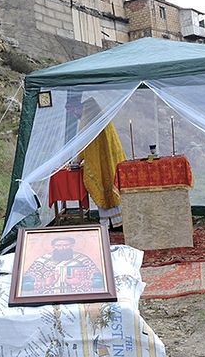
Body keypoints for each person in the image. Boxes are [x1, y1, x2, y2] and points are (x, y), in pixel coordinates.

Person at [76, 98, 127, 229]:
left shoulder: (87, 123)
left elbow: (83, 145)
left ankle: (108, 222)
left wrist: (78, 159)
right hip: (109, 162)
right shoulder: (104, 119)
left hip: (98, 164)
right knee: (110, 186)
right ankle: (117, 221)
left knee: (104, 187)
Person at [21, 236, 103, 295]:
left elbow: (100, 281)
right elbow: (24, 284)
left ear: (72, 245)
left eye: (66, 245)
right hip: (48, 297)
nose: (63, 248)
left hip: (77, 296)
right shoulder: (42, 261)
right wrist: (45, 282)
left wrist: (80, 282)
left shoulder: (83, 260)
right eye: (59, 245)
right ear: (53, 246)